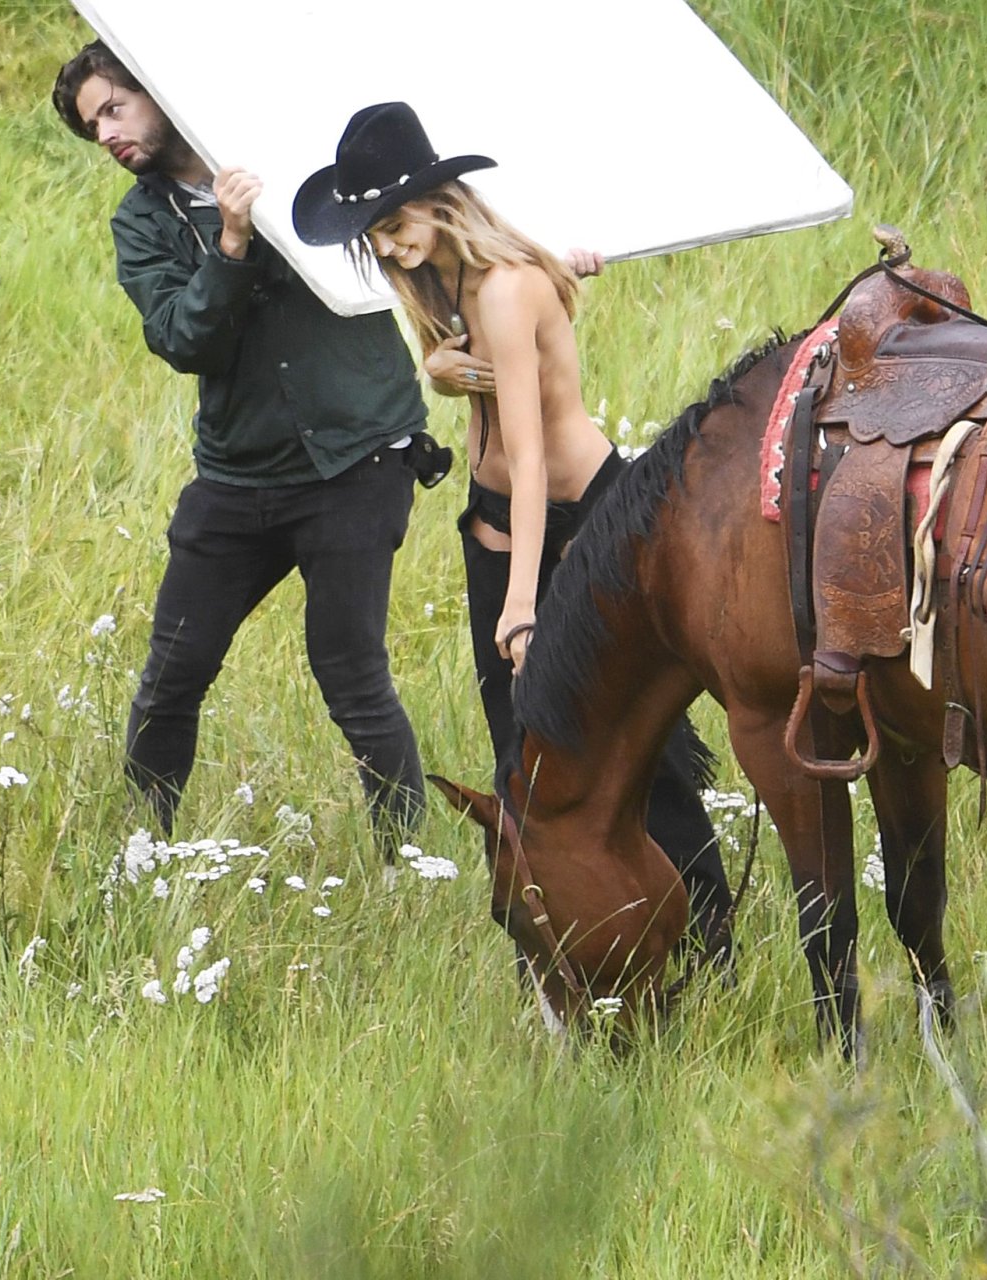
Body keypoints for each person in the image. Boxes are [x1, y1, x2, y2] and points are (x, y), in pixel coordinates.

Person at [292, 103, 733, 951]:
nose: (386, 247)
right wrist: (437, 369)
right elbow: (472, 386)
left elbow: (530, 459)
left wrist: (523, 605)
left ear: (438, 202)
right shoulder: (430, 273)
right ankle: (562, 926)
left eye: (393, 226)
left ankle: (707, 934)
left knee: (643, 737)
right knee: (518, 741)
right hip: (493, 519)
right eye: (372, 235)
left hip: (586, 512)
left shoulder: (505, 286)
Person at [51, 44, 432, 851]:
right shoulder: (141, 221)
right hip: (237, 475)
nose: (107, 133)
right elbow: (183, 340)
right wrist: (229, 243)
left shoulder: (290, 157)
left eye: (114, 108)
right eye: (92, 127)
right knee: (172, 672)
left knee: (351, 673)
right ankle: (144, 856)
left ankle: (406, 863)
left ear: (157, 90)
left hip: (356, 459)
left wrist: (541, 258)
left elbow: (419, 220)